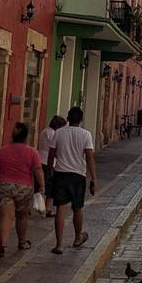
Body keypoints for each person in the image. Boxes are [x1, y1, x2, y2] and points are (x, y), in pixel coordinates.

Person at [49, 106, 97, 254]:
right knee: (77, 208)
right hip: (78, 176)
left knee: (60, 209)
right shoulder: (86, 135)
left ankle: (58, 244)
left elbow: (51, 155)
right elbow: (89, 157)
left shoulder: (58, 133)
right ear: (81, 119)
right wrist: (93, 179)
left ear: (68, 118)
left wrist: (50, 172)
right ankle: (77, 237)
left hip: (61, 174)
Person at [0, 122, 45, 258]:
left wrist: (0, 179)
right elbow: (38, 170)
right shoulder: (32, 152)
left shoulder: (2, 150)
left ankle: (2, 245)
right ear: (26, 136)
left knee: (5, 217)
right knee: (22, 216)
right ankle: (22, 241)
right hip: (24, 188)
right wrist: (42, 186)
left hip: (5, 185)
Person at [38, 115, 66, 216]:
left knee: (39, 185)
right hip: (48, 162)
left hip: (40, 159)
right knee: (49, 186)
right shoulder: (52, 134)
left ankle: (39, 206)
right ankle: (47, 208)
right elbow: (54, 148)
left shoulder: (44, 131)